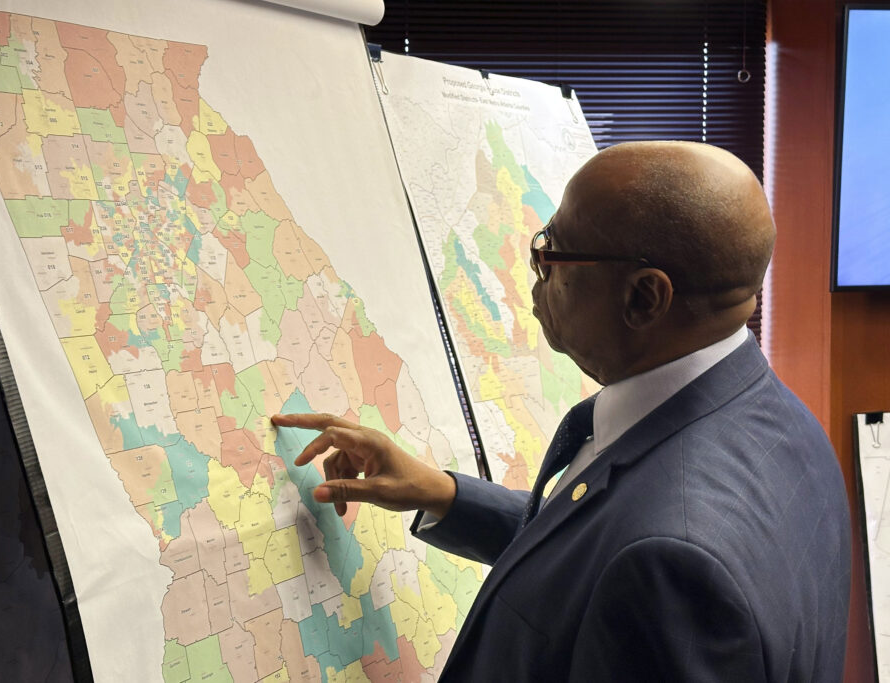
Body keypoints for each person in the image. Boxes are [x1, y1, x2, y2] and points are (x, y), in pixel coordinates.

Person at [271, 141, 851, 681]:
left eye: (553, 250)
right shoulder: (790, 432)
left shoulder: (671, 566)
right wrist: (446, 495)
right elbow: (594, 567)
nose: (537, 264)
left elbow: (643, 559)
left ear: (644, 297)